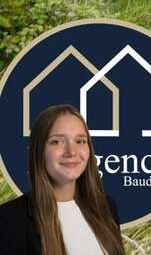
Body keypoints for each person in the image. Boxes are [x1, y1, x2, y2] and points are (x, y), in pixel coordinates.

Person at [0, 105, 124, 255]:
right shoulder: (9, 220)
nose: (71, 152)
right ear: (39, 150)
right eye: (57, 141)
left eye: (80, 141)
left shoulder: (107, 207)